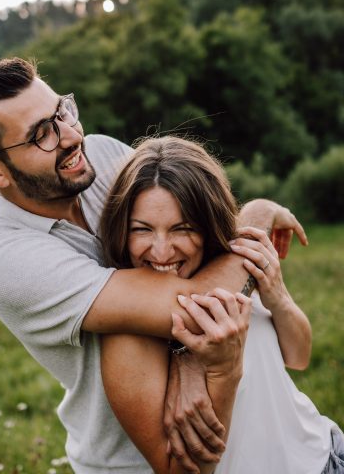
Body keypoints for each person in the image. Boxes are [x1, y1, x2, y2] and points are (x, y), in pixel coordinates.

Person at [0, 57, 308, 473]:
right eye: (41, 135)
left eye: (63, 112)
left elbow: (198, 239)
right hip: (138, 457)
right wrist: (257, 216)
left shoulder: (104, 157)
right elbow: (193, 302)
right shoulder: (7, 257)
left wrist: (188, 363)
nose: (70, 136)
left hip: (270, 435)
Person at [99, 135, 344, 474]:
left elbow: (299, 357)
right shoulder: (129, 333)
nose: (160, 251)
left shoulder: (233, 267)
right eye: (142, 229)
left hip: (327, 452)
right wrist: (206, 364)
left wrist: (277, 295)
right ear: (120, 230)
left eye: (182, 228)